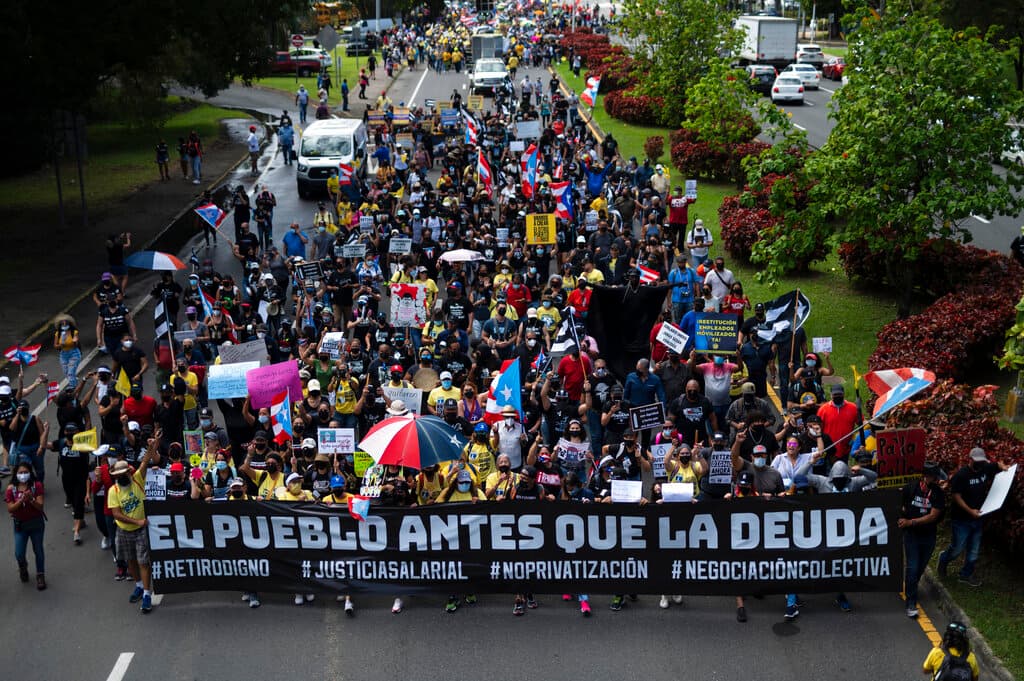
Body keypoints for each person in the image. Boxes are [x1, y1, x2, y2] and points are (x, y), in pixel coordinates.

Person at [938, 447, 1011, 586]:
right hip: (961, 519)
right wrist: (970, 510)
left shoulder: (985, 468)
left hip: (978, 518)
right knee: (957, 549)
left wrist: (1003, 467)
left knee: (974, 549)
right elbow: (956, 496)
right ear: (970, 460)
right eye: (977, 461)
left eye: (982, 461)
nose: (980, 464)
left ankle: (966, 574)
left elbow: (997, 465)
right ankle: (944, 559)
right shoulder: (961, 475)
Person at [108, 431, 160, 614]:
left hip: (140, 530)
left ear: (129, 472)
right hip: (124, 530)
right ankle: (138, 585)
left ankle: (146, 594)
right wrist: (136, 520)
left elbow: (145, 460)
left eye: (124, 473)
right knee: (131, 561)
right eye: (119, 474)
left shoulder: (137, 478)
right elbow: (116, 514)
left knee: (143, 561)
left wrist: (152, 445)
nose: (122, 476)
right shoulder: (113, 491)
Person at [899, 461, 946, 618]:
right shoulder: (910, 488)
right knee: (912, 568)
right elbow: (901, 506)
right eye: (934, 477)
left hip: (928, 536)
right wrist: (903, 518)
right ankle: (911, 602)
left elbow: (933, 515)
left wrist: (912, 521)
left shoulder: (938, 493)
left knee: (919, 568)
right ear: (926, 477)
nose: (937, 480)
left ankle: (911, 586)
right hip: (911, 535)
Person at [6, 461, 47, 589]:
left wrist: (31, 499)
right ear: (16, 474)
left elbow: (40, 506)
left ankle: (40, 575)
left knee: (38, 550)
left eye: (25, 472)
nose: (23, 475)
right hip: (20, 526)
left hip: (36, 524)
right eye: (20, 472)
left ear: (30, 473)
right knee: (19, 553)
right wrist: (21, 501)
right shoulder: (11, 489)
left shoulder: (37, 486)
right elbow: (11, 508)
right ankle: (23, 567)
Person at [54, 317, 83, 388]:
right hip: (63, 354)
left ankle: (72, 387)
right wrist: (60, 345)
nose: (64, 325)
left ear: (69, 324)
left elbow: (76, 344)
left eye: (66, 323)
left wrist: (75, 342)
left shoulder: (74, 332)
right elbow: (55, 346)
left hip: (74, 353)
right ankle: (73, 380)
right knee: (66, 372)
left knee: (70, 373)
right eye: (62, 323)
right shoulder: (58, 334)